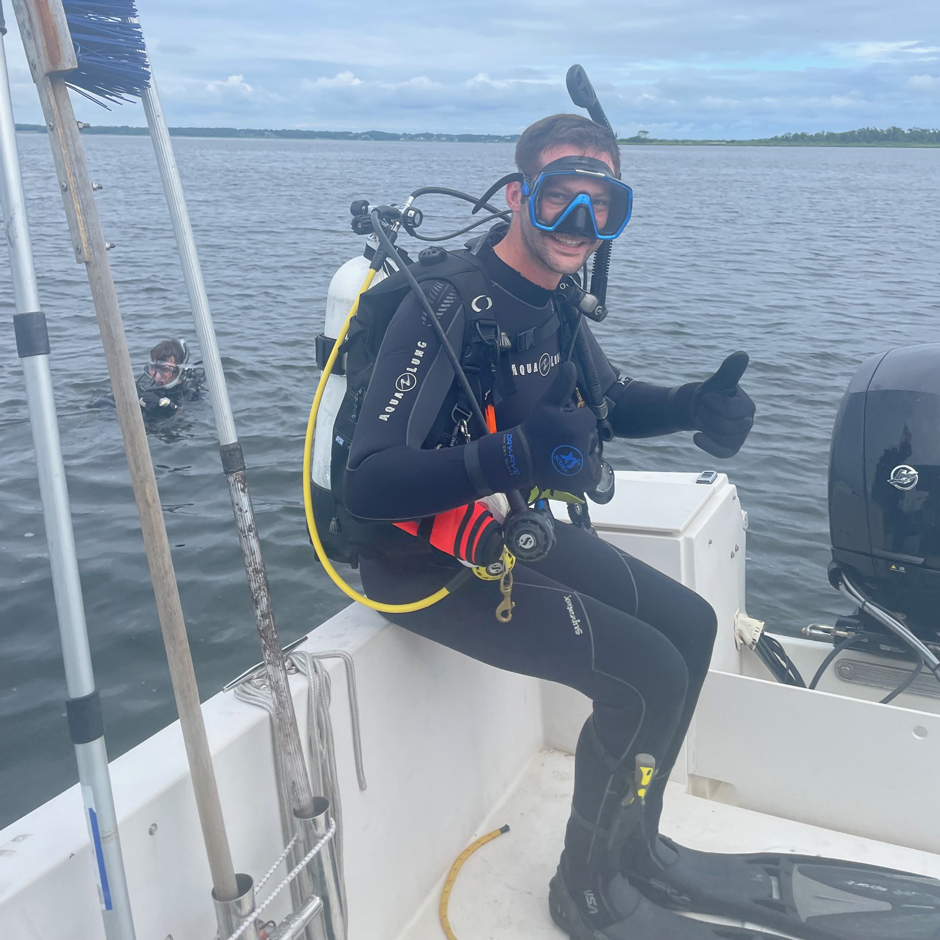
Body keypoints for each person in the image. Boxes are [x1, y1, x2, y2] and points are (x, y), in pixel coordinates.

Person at [343, 114, 758, 939]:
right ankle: (585, 888)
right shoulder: (446, 305)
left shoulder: (555, 302)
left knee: (693, 623)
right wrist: (516, 455)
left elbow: (603, 404)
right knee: (645, 675)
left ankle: (632, 847)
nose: (580, 226)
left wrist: (687, 405)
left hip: (501, 532)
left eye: (600, 207)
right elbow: (368, 482)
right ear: (516, 195)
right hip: (419, 563)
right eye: (560, 200)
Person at [135, 338, 205, 419]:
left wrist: (165, 406)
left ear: (178, 370)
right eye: (154, 368)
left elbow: (189, 417)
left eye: (165, 370)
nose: (157, 376)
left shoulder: (188, 391)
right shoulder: (146, 385)